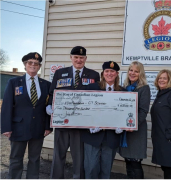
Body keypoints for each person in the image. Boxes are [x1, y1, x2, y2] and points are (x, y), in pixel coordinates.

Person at [46, 46, 100, 179]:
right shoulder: (60, 73)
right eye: (76, 57)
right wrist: (49, 106)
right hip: (62, 123)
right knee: (58, 155)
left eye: (81, 58)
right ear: (71, 58)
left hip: (81, 125)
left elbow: (97, 98)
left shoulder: (94, 75)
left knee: (79, 158)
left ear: (86, 59)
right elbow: (52, 93)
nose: (79, 60)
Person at [1, 52, 52, 179]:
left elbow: (48, 107)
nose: (33, 65)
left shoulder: (46, 85)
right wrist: (6, 127)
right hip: (19, 127)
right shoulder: (14, 82)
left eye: (36, 63)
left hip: (38, 128)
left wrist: (48, 127)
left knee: (34, 159)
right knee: (16, 159)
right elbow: (7, 105)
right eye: (30, 63)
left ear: (39, 66)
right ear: (25, 65)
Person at [81, 61, 125, 179]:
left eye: (112, 71)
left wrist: (122, 125)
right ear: (103, 74)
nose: (109, 74)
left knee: (106, 171)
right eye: (107, 71)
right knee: (90, 169)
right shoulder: (91, 87)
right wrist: (89, 125)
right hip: (92, 136)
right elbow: (84, 110)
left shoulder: (123, 91)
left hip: (111, 136)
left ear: (116, 74)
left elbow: (125, 113)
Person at [150, 69, 171, 179]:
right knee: (165, 167)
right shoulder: (161, 94)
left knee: (169, 169)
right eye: (160, 78)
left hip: (169, 138)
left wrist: (168, 134)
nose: (161, 80)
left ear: (170, 80)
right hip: (161, 138)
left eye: (164, 78)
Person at [119, 61, 150, 179]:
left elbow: (143, 111)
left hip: (136, 131)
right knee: (128, 161)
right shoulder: (125, 87)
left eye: (136, 71)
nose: (132, 73)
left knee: (135, 162)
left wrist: (133, 125)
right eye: (131, 70)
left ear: (140, 73)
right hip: (125, 131)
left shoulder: (144, 88)